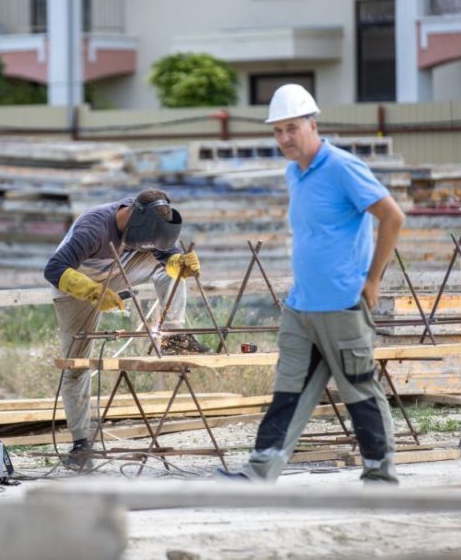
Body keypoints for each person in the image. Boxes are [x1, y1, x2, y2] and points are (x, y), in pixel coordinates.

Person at [218, 84, 405, 485]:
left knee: (358, 391)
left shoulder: (342, 167)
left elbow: (393, 217)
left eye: (292, 128)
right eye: (278, 130)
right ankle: (258, 473)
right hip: (301, 307)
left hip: (342, 304)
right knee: (288, 393)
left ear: (312, 124)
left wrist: (372, 279)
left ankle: (380, 474)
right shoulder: (294, 173)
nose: (285, 138)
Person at [43, 188, 208, 469]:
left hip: (120, 270)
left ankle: (172, 335)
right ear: (132, 217)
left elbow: (166, 258)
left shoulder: (152, 226)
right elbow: (54, 269)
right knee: (77, 364)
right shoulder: (93, 228)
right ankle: (81, 443)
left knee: (171, 266)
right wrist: (92, 291)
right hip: (76, 284)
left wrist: (178, 263)